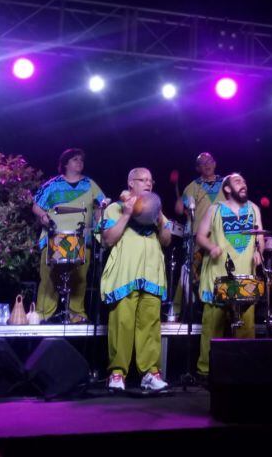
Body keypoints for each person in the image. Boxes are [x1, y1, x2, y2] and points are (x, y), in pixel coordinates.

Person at [100, 168, 171, 392]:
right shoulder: (114, 208)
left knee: (150, 325)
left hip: (151, 273)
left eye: (151, 180)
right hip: (125, 274)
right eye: (143, 179)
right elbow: (108, 239)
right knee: (122, 323)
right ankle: (117, 374)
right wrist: (127, 214)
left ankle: (150, 373)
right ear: (131, 183)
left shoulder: (156, 210)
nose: (148, 183)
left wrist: (159, 219)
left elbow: (167, 240)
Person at [195, 173, 263, 376]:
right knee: (212, 329)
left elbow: (260, 238)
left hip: (245, 279)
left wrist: (259, 253)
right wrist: (211, 246)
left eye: (244, 180)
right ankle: (206, 371)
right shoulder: (215, 210)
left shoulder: (254, 209)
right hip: (218, 277)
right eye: (237, 181)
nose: (243, 184)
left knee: (245, 329)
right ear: (227, 188)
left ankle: (244, 371)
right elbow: (200, 235)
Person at [32, 148, 106, 323]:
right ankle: (43, 314)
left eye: (81, 159)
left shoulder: (89, 184)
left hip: (81, 239)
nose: (79, 162)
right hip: (55, 238)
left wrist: (99, 223)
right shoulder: (52, 185)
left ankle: (76, 314)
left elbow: (101, 205)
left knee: (79, 279)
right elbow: (36, 206)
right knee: (50, 277)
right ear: (65, 163)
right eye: (75, 159)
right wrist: (43, 216)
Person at [172, 152, 226, 315]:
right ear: (197, 168)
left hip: (222, 237)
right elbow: (180, 210)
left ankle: (221, 307)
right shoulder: (192, 186)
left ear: (215, 163)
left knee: (220, 272)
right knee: (191, 273)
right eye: (202, 163)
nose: (207, 165)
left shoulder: (226, 183)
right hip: (198, 237)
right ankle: (179, 309)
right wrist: (181, 202)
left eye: (209, 161)